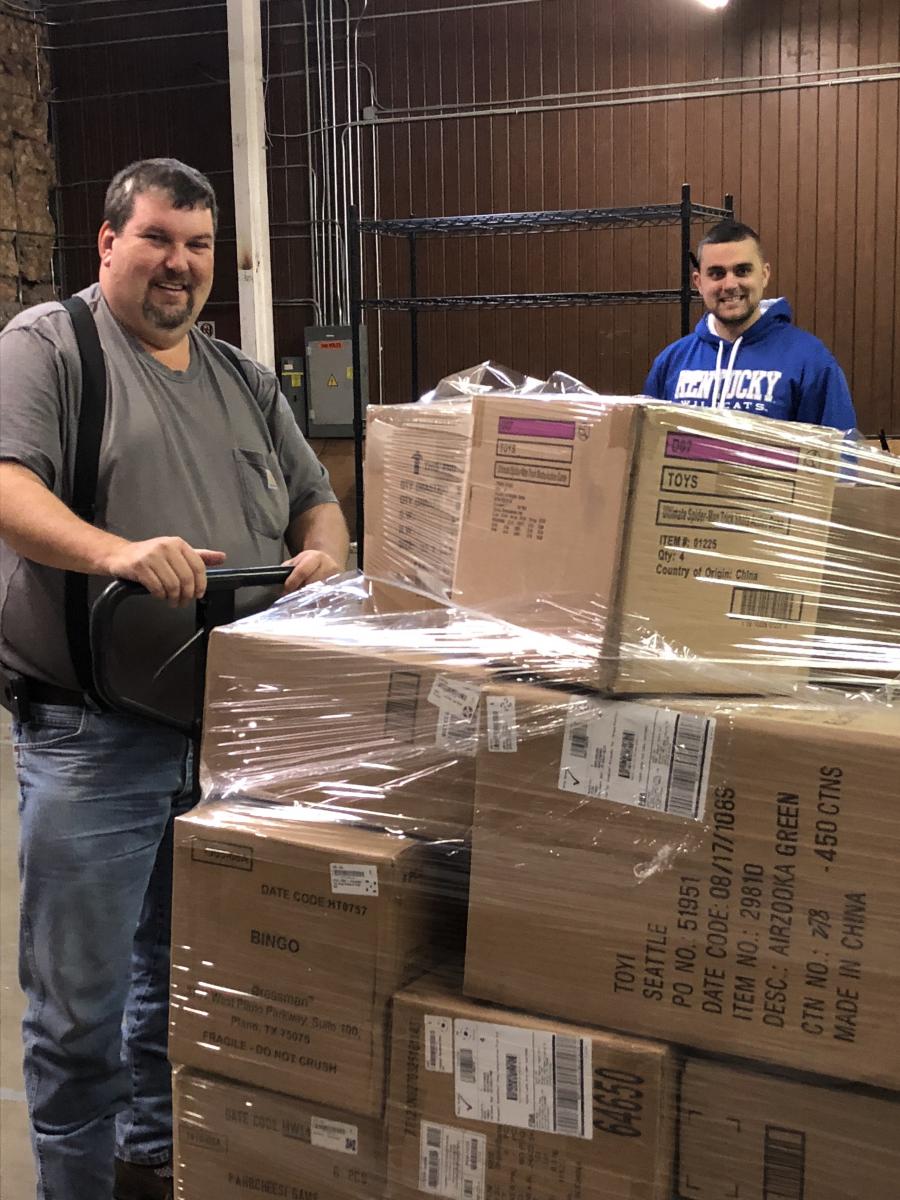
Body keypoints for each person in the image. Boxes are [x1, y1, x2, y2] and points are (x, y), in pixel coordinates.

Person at [0, 159, 349, 1200]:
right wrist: (112, 553)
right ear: (106, 241)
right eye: (157, 238)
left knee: (177, 976)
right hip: (91, 739)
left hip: (223, 735)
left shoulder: (243, 376)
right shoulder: (50, 346)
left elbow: (316, 501)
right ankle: (76, 1185)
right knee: (81, 1003)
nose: (179, 265)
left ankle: (150, 1158)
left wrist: (326, 554)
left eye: (198, 246)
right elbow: (7, 484)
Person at [643, 219, 858, 430]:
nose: (729, 285)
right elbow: (647, 451)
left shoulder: (810, 361)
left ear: (764, 275)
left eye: (742, 271)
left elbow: (839, 456)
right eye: (717, 273)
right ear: (698, 282)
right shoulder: (672, 362)